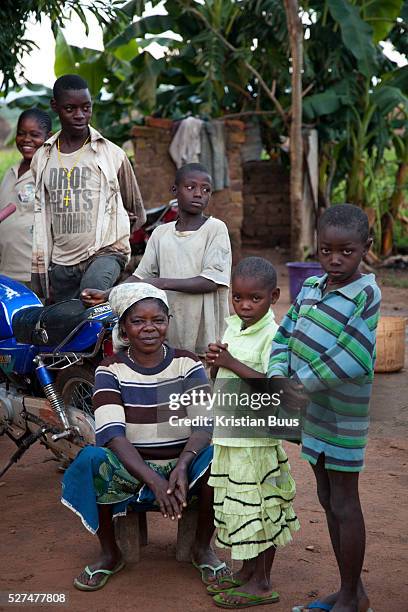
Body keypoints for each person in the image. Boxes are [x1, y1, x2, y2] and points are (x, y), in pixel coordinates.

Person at [61, 283, 230, 591]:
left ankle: (202, 546)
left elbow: (204, 425)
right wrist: (154, 480)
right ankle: (110, 552)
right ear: (124, 329)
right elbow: (113, 435)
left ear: (168, 322)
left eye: (158, 320)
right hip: (132, 473)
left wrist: (181, 467)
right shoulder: (109, 369)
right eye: (138, 321)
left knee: (222, 456)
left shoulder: (187, 363)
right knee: (92, 458)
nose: (149, 328)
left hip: (184, 472)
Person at [268, 205, 380, 612]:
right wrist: (278, 373)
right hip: (312, 414)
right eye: (326, 250)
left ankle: (351, 596)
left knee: (346, 503)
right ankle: (351, 591)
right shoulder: (312, 287)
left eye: (346, 252)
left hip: (341, 416)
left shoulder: (366, 293)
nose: (335, 260)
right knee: (328, 498)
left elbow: (353, 355)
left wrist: (296, 385)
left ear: (365, 249)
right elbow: (285, 335)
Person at [205, 257, 300, 609]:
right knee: (238, 506)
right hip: (228, 435)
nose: (244, 306)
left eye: (254, 299)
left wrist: (231, 363)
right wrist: (216, 363)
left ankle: (262, 582)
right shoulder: (235, 327)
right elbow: (223, 377)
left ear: (273, 296)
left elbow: (274, 388)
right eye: (238, 298)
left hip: (255, 440)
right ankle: (246, 572)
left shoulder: (274, 336)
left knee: (259, 509)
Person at [81, 162, 231, 356]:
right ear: (175, 190)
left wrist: (160, 283)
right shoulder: (161, 233)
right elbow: (141, 276)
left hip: (204, 332)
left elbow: (211, 281)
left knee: (200, 381)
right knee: (169, 375)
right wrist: (107, 293)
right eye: (190, 187)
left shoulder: (215, 229)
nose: (198, 193)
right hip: (170, 327)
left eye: (206, 189)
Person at [30, 74, 146, 302]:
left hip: (105, 253)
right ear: (55, 106)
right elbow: (42, 213)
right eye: (70, 109)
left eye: (86, 107)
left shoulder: (112, 155)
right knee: (66, 326)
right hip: (62, 262)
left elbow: (135, 208)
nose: (80, 115)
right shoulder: (42, 158)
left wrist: (120, 225)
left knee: (90, 303)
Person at [0, 108, 51, 285]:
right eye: (21, 133)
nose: (26, 139)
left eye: (34, 134)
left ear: (48, 137)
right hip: (5, 270)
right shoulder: (10, 172)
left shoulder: (49, 173)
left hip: (31, 274)